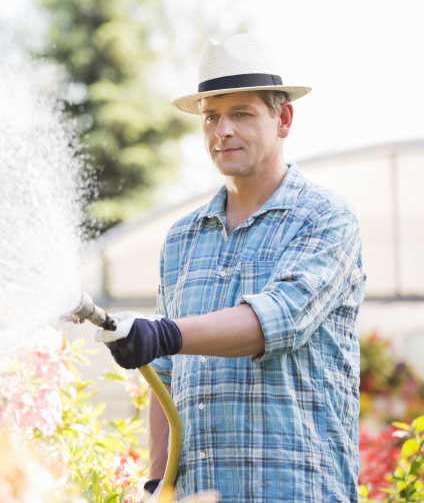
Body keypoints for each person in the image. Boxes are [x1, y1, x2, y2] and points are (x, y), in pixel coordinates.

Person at [96, 34, 366, 502]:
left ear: (283, 119)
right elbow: (165, 374)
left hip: (299, 491)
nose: (223, 130)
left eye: (241, 114)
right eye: (212, 116)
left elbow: (277, 321)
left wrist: (163, 332)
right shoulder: (182, 238)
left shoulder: (325, 219)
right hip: (202, 493)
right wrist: (159, 483)